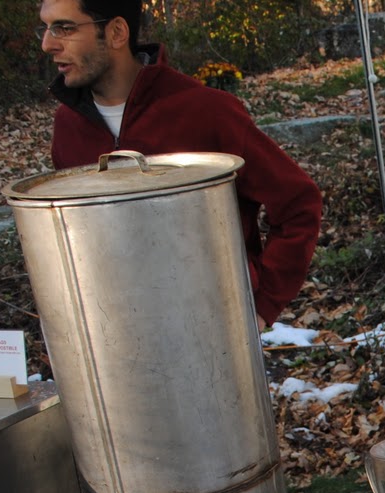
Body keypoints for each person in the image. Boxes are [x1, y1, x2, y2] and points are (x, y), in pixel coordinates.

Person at [41, 0, 323, 330]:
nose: (48, 43)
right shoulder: (69, 125)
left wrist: (263, 305)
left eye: (64, 27)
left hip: (212, 334)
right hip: (116, 339)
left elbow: (298, 203)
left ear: (117, 32)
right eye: (45, 28)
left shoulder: (205, 111)